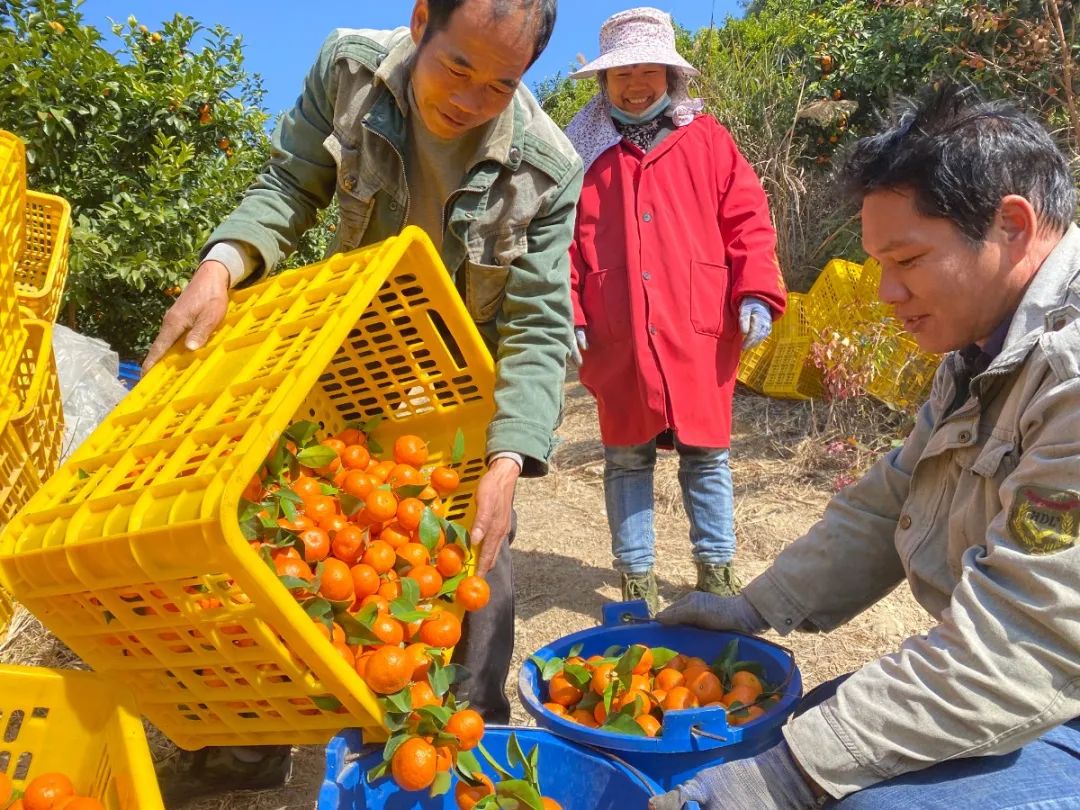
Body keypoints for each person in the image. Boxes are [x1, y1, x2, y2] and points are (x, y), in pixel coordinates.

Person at [144, 0, 582, 802]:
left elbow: (538, 320)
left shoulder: (546, 167)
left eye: (500, 85)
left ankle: (463, 730)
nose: (470, 98)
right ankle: (255, 737)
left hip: (463, 362)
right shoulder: (350, 72)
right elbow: (290, 180)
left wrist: (507, 456)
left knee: (475, 545)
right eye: (458, 67)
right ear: (422, 21)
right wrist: (224, 262)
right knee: (294, 538)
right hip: (357, 333)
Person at [652, 83, 1080, 809]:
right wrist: (755, 608)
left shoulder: (1069, 369)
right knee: (814, 724)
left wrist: (788, 779)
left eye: (906, 261)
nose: (884, 292)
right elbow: (889, 501)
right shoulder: (985, 351)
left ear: (1012, 226)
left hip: (1056, 678)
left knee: (855, 795)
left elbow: (1027, 638)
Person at [564, 8, 786, 613]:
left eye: (648, 71)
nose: (635, 85)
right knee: (626, 455)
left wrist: (756, 292)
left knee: (707, 455)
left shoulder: (708, 139)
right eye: (622, 74)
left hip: (697, 323)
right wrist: (571, 311)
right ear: (603, 83)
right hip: (620, 329)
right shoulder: (579, 154)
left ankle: (716, 569)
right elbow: (558, 242)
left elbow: (748, 222)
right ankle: (637, 575)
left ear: (670, 75)